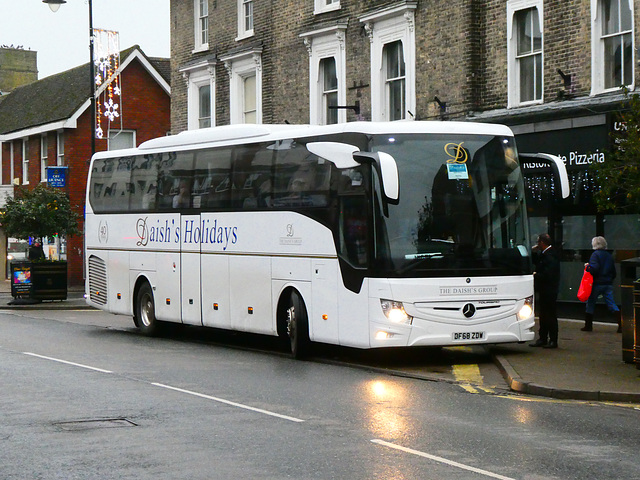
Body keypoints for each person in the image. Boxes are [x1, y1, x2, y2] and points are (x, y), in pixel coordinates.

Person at [582, 236, 621, 333]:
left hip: (597, 283)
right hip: (607, 283)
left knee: (590, 303)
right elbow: (613, 272)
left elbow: (594, 269)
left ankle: (588, 325)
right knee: (611, 303)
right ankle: (621, 323)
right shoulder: (609, 255)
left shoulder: (595, 255)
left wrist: (587, 267)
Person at [530, 233, 561, 349]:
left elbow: (548, 274)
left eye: (538, 242)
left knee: (550, 315)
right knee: (543, 314)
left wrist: (536, 275)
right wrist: (534, 253)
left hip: (549, 289)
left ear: (542, 243)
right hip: (545, 289)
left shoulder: (550, 255)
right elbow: (537, 262)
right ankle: (543, 338)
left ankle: (552, 339)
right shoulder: (545, 254)